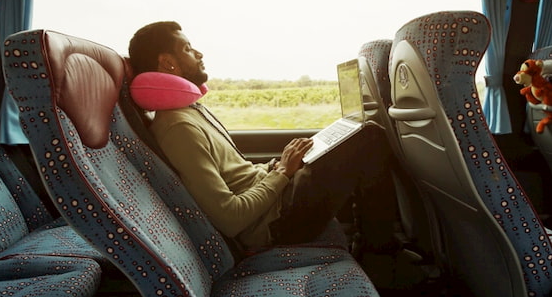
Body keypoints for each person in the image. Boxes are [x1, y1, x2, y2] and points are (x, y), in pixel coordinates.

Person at [128, 21, 397, 252]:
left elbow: (239, 177)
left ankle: (375, 245)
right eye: (187, 49)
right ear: (168, 63)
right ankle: (382, 256)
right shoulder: (178, 129)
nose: (199, 53)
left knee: (348, 138)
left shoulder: (190, 111)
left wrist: (277, 167)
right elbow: (230, 218)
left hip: (275, 198)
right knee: (369, 138)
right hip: (276, 222)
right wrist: (282, 173)